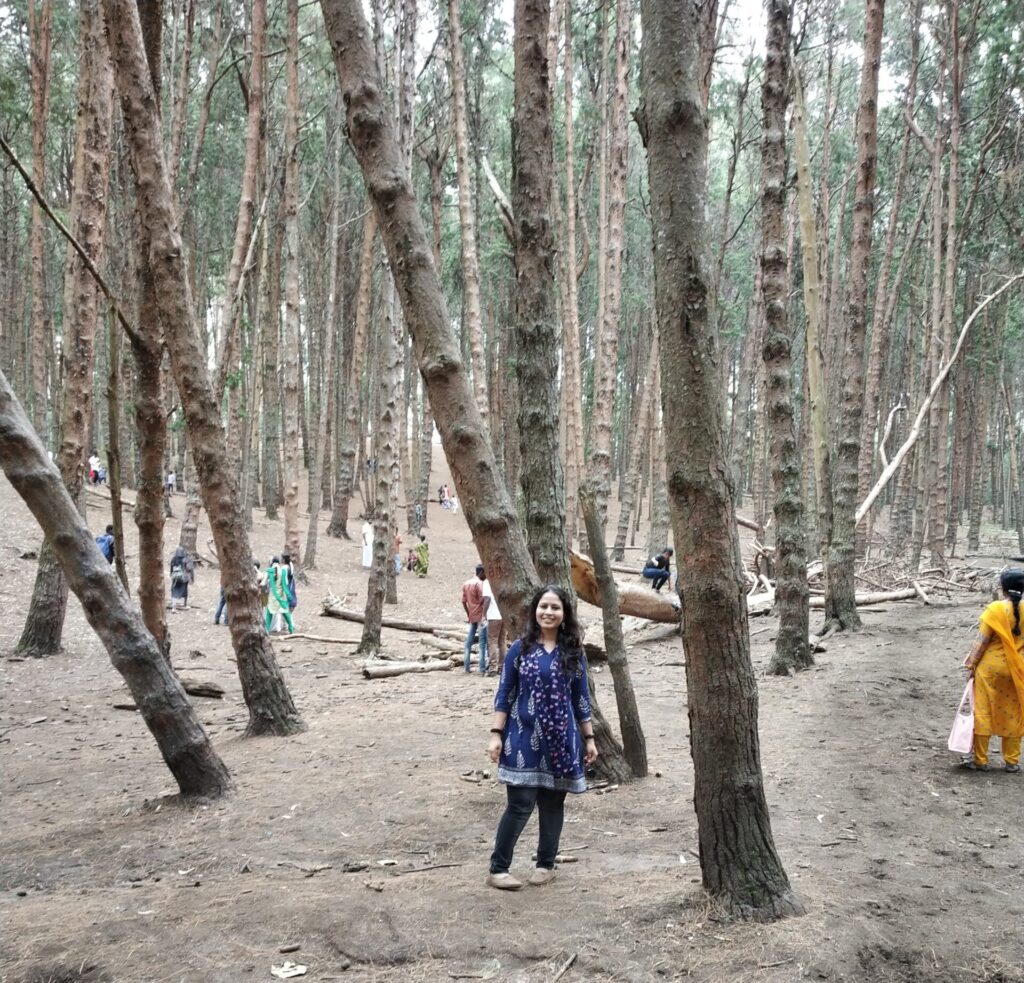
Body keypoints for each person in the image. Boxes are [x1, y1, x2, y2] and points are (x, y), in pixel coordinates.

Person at [485, 585, 598, 890]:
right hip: (522, 739)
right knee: (520, 804)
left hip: (562, 741)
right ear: (535, 611)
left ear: (565, 615)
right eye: (544, 607)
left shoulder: (574, 652)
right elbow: (505, 693)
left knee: (552, 805)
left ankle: (545, 864)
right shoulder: (520, 649)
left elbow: (581, 699)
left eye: (555, 608)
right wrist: (496, 734)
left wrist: (589, 738)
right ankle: (498, 869)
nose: (548, 612)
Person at [961, 569, 1024, 772]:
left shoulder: (995, 609)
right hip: (1018, 669)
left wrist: (971, 665)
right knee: (1015, 712)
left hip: (990, 669)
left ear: (1003, 588)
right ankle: (1012, 762)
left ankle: (981, 760)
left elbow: (982, 642)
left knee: (984, 711)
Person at [462, 565, 489, 674]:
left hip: (472, 615)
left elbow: (463, 601)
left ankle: (466, 667)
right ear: (481, 572)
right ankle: (482, 668)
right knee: (483, 643)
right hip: (480, 615)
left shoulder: (466, 583)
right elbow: (484, 599)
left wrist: (468, 614)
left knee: (468, 642)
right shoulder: (479, 584)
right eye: (485, 573)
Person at [264, 556, 295, 634]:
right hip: (281, 596)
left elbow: (264, 583)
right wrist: (289, 595)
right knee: (285, 613)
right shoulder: (283, 571)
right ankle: (291, 628)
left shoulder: (269, 571)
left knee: (269, 614)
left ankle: (266, 631)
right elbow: (285, 585)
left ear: (271, 563)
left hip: (272, 596)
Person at [481, 573, 504, 674]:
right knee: (502, 642)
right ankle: (502, 666)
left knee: (492, 641)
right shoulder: (502, 579)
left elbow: (487, 599)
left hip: (493, 615)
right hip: (503, 614)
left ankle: (493, 667)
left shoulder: (487, 582)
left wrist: (483, 614)